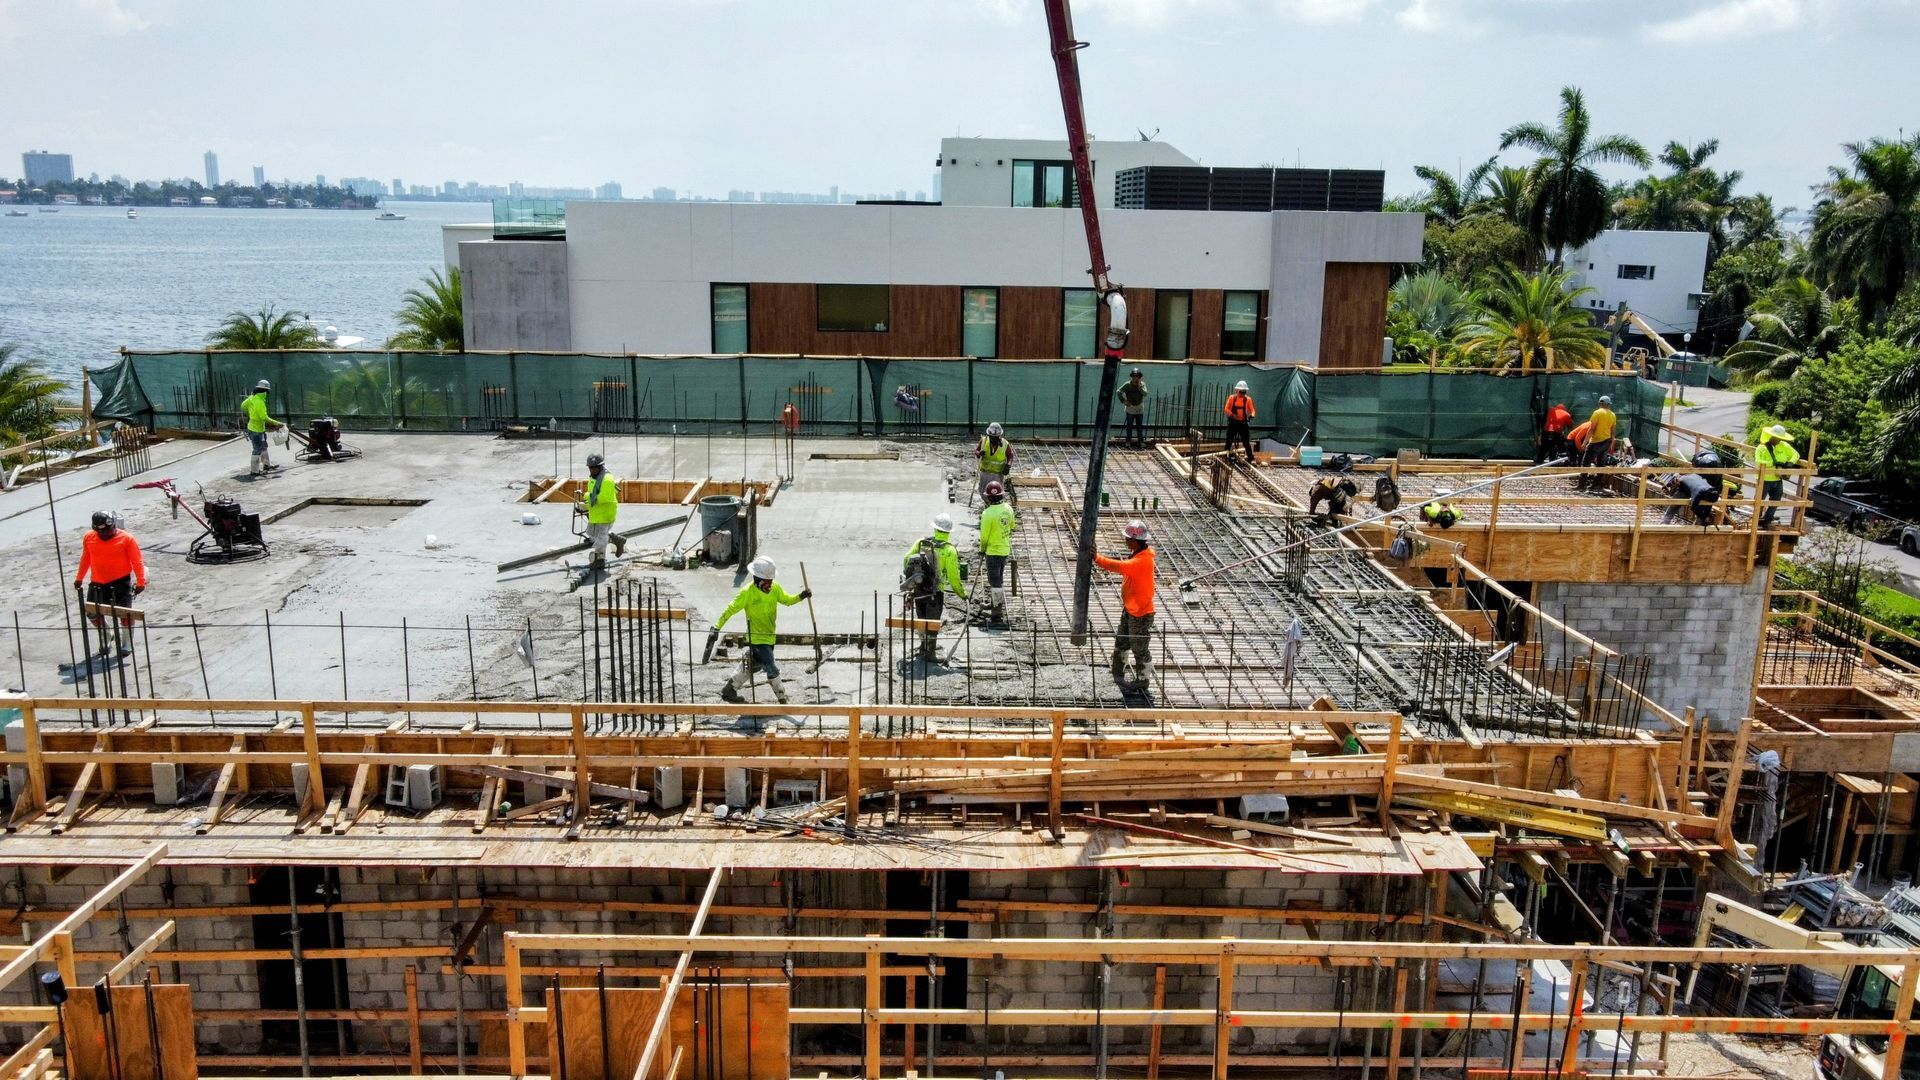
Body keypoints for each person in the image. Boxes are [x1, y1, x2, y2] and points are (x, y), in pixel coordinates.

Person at [714, 555, 811, 705]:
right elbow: (730, 609)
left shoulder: (775, 589)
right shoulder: (747, 593)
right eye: (768, 581)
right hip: (756, 639)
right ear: (758, 578)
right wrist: (716, 627)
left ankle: (729, 689)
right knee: (771, 668)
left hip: (769, 637)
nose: (770, 583)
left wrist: (801, 596)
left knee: (753, 666)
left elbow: (787, 600)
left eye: (771, 580)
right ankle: (783, 699)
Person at [73, 510, 146, 658]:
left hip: (121, 582)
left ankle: (127, 642)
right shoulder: (89, 537)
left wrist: (140, 581)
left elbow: (137, 561)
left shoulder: (127, 539)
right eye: (101, 532)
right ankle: (106, 635)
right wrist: (79, 577)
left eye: (108, 530)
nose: (105, 534)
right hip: (97, 583)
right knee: (91, 613)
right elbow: (86, 558)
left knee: (124, 614)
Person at [1094, 519, 1157, 691]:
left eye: (1128, 539)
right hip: (1130, 608)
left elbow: (1120, 567)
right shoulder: (1138, 554)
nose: (1125, 541)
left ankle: (1143, 680)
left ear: (1136, 541)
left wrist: (1097, 558)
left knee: (1139, 648)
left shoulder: (1142, 560)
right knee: (1122, 641)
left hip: (1141, 613)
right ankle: (1117, 672)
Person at [901, 512, 966, 664]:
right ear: (948, 532)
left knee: (921, 618)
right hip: (935, 593)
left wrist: (913, 581)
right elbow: (953, 577)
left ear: (935, 529)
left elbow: (906, 559)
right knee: (933, 622)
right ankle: (930, 654)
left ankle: (923, 646)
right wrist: (962, 594)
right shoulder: (949, 550)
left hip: (918, 590)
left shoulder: (921, 543)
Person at [575, 453, 625, 570]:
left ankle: (599, 560)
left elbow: (604, 497)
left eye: (594, 468)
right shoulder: (593, 478)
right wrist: (586, 506)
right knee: (591, 533)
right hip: (596, 513)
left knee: (601, 541)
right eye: (590, 468)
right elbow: (594, 497)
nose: (591, 470)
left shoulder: (607, 479)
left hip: (605, 513)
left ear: (600, 467)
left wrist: (587, 496)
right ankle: (616, 539)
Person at [977, 480, 1017, 626]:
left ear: (988, 497)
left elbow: (984, 537)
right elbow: (1012, 526)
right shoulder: (1008, 508)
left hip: (993, 551)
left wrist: (981, 550)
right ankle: (995, 604)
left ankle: (997, 612)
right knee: (998, 579)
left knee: (995, 582)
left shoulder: (987, 514)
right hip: (1005, 549)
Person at [1756, 424, 1801, 528]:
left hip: (1777, 479)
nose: (1779, 440)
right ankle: (1756, 519)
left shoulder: (1784, 446)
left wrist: (1790, 462)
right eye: (1778, 438)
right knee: (1759, 500)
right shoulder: (1761, 448)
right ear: (1772, 436)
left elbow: (1796, 454)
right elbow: (1758, 462)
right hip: (1765, 479)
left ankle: (1767, 519)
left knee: (1776, 499)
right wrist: (1774, 463)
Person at [241, 379, 285, 476]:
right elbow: (263, 417)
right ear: (265, 391)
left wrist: (251, 412)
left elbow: (243, 406)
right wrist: (277, 423)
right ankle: (254, 471)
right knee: (257, 449)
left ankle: (266, 465)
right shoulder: (260, 402)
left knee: (264, 446)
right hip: (255, 429)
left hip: (256, 427)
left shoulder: (252, 398)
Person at [1575, 395, 1616, 489]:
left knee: (1585, 463)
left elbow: (1591, 429)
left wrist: (1585, 442)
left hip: (1595, 442)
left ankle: (1581, 486)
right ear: (1608, 404)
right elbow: (1613, 431)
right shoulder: (1613, 415)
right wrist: (1611, 444)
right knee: (1601, 465)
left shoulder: (1597, 413)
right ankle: (1595, 484)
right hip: (1606, 442)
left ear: (1600, 403)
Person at [977, 422, 1012, 502]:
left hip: (998, 474)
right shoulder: (984, 441)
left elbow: (1010, 455)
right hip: (985, 472)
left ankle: (996, 506)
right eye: (991, 437)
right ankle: (986, 505)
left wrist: (1008, 466)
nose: (993, 439)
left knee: (997, 493)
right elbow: (977, 451)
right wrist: (979, 453)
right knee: (984, 492)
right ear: (989, 435)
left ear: (999, 436)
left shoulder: (1005, 444)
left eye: (995, 437)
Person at [1223, 380, 1256, 461]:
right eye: (1241, 392)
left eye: (1244, 392)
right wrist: (1233, 415)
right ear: (1237, 390)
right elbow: (1226, 409)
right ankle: (1226, 456)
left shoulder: (1248, 399)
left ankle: (1251, 458)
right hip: (1233, 423)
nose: (1242, 394)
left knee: (1246, 442)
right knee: (1229, 440)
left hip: (1243, 424)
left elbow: (1252, 410)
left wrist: (1252, 415)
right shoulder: (1232, 398)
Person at [1116, 368, 1148, 449]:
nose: (1135, 378)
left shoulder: (1142, 384)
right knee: (1129, 426)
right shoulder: (1127, 384)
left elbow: (1145, 394)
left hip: (1139, 408)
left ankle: (1140, 442)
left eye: (1137, 376)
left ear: (1139, 377)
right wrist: (1123, 401)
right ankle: (1128, 441)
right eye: (1134, 376)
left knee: (1139, 426)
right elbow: (1118, 392)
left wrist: (1139, 386)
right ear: (1131, 377)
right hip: (1130, 408)